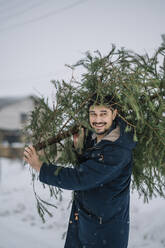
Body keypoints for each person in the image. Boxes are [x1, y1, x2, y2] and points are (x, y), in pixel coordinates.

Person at [24, 95, 136, 248]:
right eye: (93, 114)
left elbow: (81, 178)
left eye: (103, 113)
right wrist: (80, 150)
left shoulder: (118, 150)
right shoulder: (98, 138)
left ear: (114, 113)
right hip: (87, 224)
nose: (97, 120)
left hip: (105, 232)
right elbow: (92, 167)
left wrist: (40, 167)